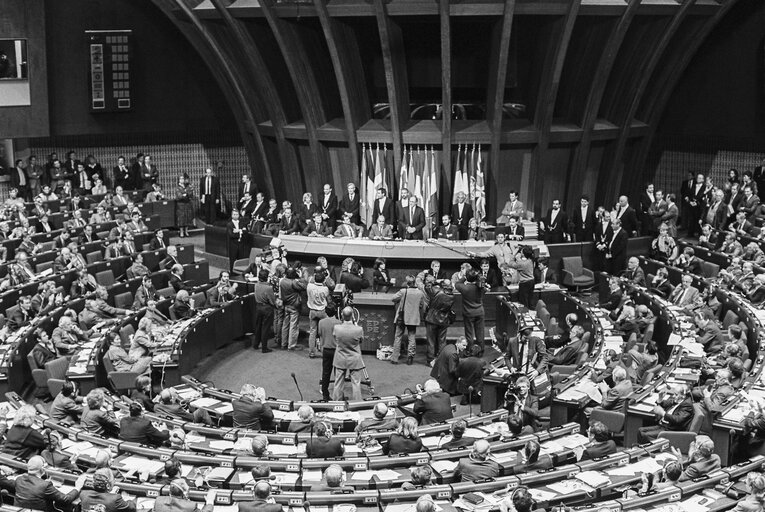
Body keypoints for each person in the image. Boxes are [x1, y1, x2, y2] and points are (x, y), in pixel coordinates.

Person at [11, 456, 87, 512]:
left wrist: (47, 484)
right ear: (42, 469)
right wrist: (77, 487)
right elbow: (65, 499)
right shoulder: (45, 485)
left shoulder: (19, 479)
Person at [332, 306, 365, 401]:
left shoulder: (337, 328)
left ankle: (336, 404)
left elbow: (336, 339)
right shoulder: (358, 329)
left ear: (341, 315)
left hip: (340, 358)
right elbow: (360, 341)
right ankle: (357, 404)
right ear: (353, 316)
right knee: (356, 384)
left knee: (338, 383)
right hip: (354, 359)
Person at [390, 275, 425, 365]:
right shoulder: (420, 293)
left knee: (398, 337)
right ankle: (410, 358)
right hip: (413, 318)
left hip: (402, 317)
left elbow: (393, 298)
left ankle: (395, 358)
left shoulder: (403, 291)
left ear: (407, 283)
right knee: (412, 337)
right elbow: (421, 305)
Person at [424, 280, 455, 364]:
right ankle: (441, 359)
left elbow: (427, 286)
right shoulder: (452, 295)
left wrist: (434, 281)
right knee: (442, 341)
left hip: (432, 318)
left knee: (431, 340)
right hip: (444, 319)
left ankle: (430, 359)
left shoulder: (437, 291)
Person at [317, 303, 341, 401]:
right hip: (336, 350)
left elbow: (320, 334)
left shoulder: (321, 322)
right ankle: (338, 395)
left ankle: (325, 395)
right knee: (338, 374)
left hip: (326, 350)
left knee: (326, 373)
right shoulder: (339, 323)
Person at [306, 267, 330, 357]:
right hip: (322, 312)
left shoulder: (309, 286)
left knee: (312, 332)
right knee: (323, 332)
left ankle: (312, 352)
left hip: (312, 311)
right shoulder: (325, 289)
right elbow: (328, 298)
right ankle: (324, 351)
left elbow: (310, 279)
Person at [252, 269, 276, 353]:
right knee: (265, 328)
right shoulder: (268, 288)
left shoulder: (256, 285)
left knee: (258, 326)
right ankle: (264, 347)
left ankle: (255, 344)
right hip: (267, 308)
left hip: (258, 307)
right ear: (266, 277)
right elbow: (272, 301)